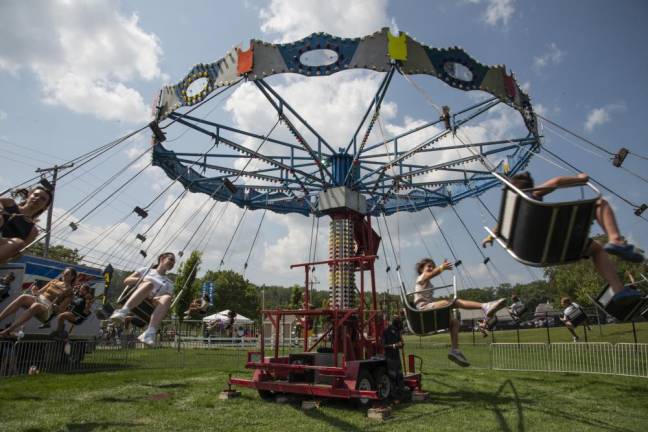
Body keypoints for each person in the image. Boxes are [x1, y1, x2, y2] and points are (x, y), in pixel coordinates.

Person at [483, 172, 644, 299]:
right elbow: (557, 181)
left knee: (596, 248)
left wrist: (490, 237)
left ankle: (620, 290)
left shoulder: (509, 214)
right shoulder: (531, 196)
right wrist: (580, 179)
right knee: (599, 213)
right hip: (564, 246)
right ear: (530, 188)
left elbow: (497, 229)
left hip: (533, 254)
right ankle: (616, 247)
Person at [414, 258, 506, 367]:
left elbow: (431, 277)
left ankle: (455, 350)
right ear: (421, 269)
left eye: (432, 266)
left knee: (455, 322)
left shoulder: (427, 282)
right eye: (429, 266)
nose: (431, 268)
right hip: (423, 310)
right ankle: (484, 306)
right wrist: (441, 267)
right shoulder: (421, 278)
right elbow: (430, 275)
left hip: (429, 311)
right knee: (452, 302)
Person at [109, 252, 176, 347]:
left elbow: (165, 301)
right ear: (162, 258)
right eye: (171, 260)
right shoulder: (146, 270)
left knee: (168, 297)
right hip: (139, 292)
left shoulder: (169, 283)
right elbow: (127, 280)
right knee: (149, 284)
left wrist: (155, 297)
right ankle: (123, 311)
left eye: (174, 262)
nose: (173, 263)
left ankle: (149, 333)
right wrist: (142, 280)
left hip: (152, 303)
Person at [0, 267, 77, 337]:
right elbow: (39, 292)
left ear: (72, 277)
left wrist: (56, 306)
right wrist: (34, 291)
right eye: (64, 273)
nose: (64, 275)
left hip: (48, 308)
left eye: (67, 274)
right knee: (23, 297)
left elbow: (60, 310)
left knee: (36, 305)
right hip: (40, 299)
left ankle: (8, 330)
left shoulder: (70, 292)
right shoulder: (54, 281)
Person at [0, 186, 53, 264]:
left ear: (45, 207)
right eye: (35, 195)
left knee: (19, 243)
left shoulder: (33, 231)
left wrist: (19, 253)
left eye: (43, 199)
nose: (38, 198)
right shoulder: (9, 203)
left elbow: (15, 253)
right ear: (29, 195)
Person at [381, 316, 405, 396]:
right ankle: (393, 395)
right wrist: (394, 345)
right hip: (390, 358)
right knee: (392, 376)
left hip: (397, 357)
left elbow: (401, 343)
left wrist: (401, 344)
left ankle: (401, 393)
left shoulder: (397, 332)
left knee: (400, 375)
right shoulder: (386, 332)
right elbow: (383, 345)